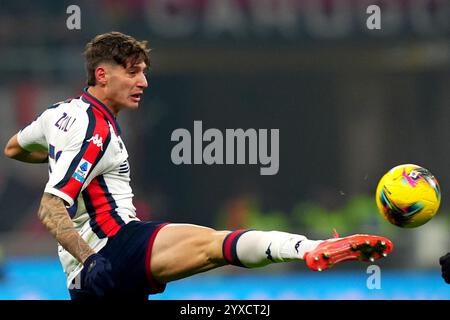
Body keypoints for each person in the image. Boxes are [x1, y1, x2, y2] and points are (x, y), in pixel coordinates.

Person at [4, 31, 394, 300]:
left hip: (98, 269)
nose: (143, 82)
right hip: (113, 249)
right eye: (133, 71)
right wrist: (92, 260)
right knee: (214, 246)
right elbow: (50, 207)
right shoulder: (94, 130)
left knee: (215, 244)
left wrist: (59, 158)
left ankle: (311, 248)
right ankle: (310, 248)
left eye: (144, 72)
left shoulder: (59, 114)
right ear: (102, 74)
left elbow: (13, 149)